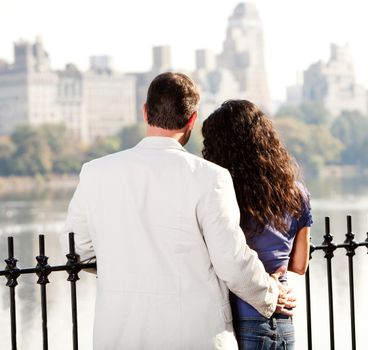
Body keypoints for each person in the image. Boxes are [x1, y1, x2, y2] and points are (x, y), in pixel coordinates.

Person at [62, 73, 294, 349]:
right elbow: (231, 261)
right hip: (197, 337)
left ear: (145, 112)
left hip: (120, 336)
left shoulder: (95, 173)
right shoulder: (211, 177)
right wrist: (271, 293)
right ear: (192, 120)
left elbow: (77, 249)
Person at [202, 100, 313, 350]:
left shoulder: (224, 194)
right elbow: (299, 265)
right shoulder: (297, 194)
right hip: (283, 319)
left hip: (239, 319)